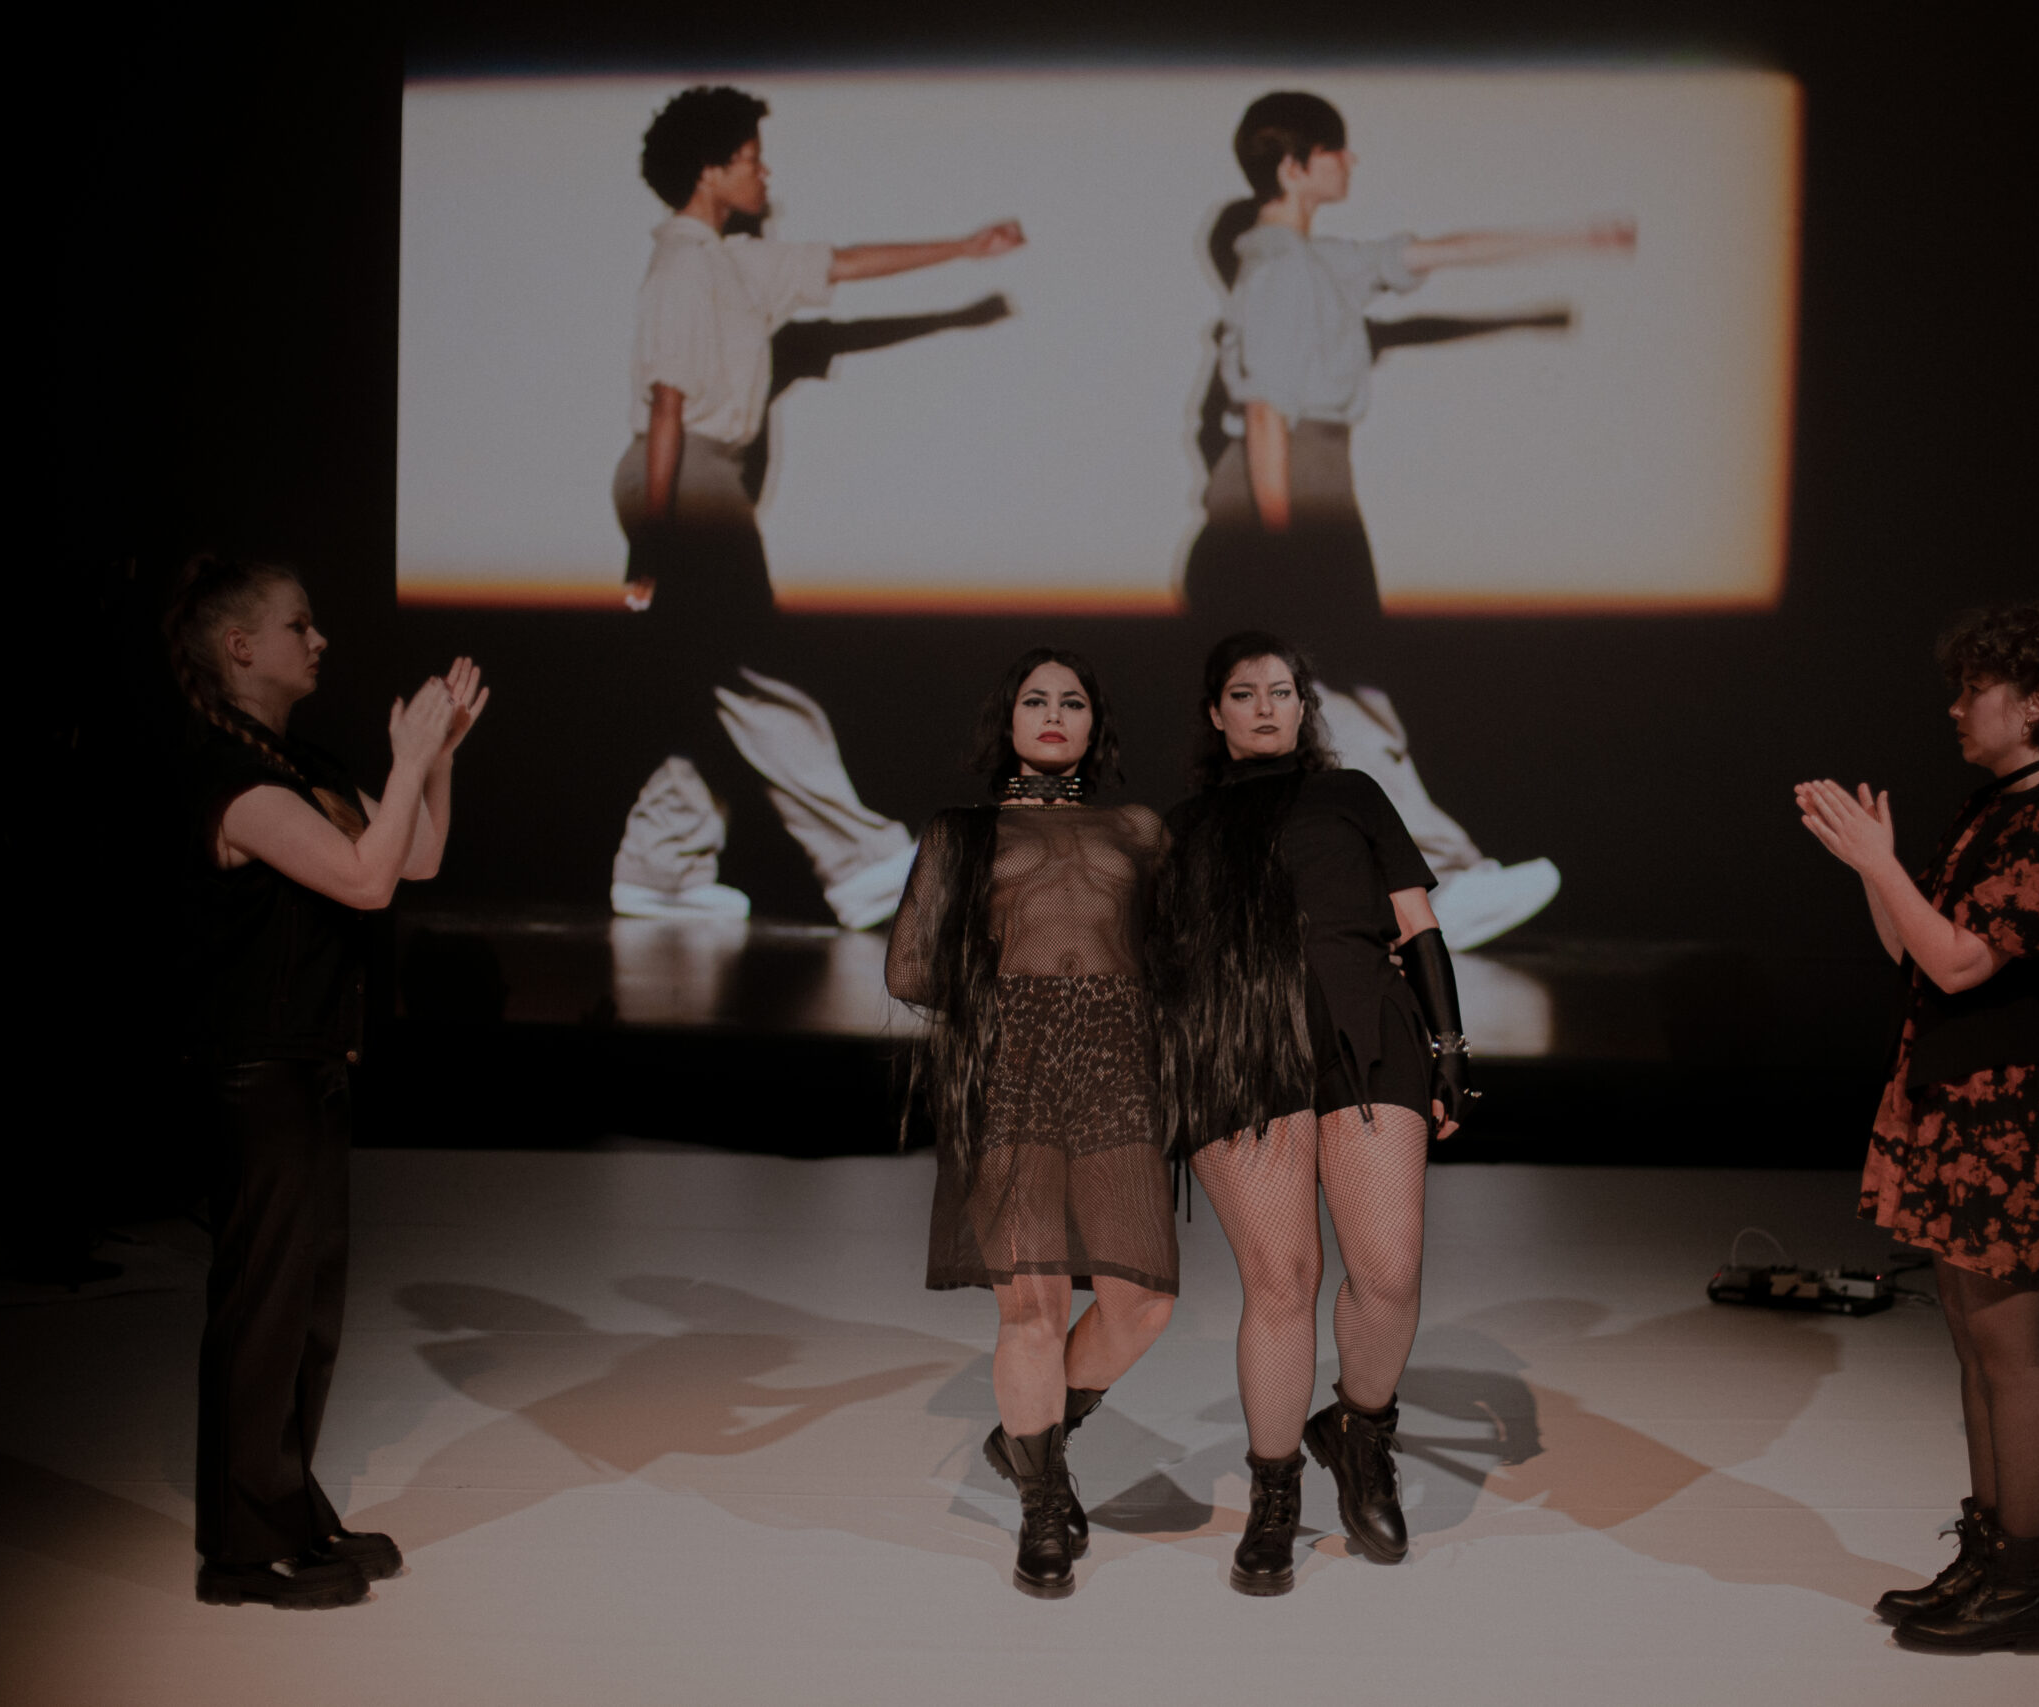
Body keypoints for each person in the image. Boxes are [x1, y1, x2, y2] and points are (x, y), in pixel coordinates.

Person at [1182, 90, 1636, 950]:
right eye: (1336, 151)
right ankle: (1440, 879)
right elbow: (1268, 416)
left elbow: (1439, 252)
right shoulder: (1278, 272)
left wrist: (1570, 240)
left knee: (1348, 703)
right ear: (1295, 167)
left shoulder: (1322, 262)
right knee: (1334, 702)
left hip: (1317, 489)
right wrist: (1282, 544)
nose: (1351, 162)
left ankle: (1415, 887)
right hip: (1288, 497)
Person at [611, 85, 1025, 926]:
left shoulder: (735, 264)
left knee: (717, 682)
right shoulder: (684, 266)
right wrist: (651, 542)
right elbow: (666, 405)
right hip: (684, 480)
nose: (765, 175)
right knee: (761, 677)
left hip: (699, 479)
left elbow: (845, 262)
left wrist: (963, 251)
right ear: (710, 171)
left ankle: (660, 863)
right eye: (751, 160)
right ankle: (863, 862)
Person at [165, 554, 490, 1609]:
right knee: (262, 1306)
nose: (320, 641)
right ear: (239, 647)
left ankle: (291, 1511)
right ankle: (239, 1549)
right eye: (297, 626)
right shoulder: (231, 778)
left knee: (308, 1306)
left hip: (310, 1064)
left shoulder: (297, 761)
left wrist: (435, 761)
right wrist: (407, 758)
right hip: (255, 1071)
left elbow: (413, 858)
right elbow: (361, 879)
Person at [1794, 599, 2039, 1654]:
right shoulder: (1995, 809)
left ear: (2037, 701)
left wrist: (1880, 863)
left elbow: (1962, 963)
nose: (1956, 707)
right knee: (1975, 1343)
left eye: (1975, 688)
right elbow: (1914, 948)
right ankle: (1986, 1555)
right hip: (1965, 1098)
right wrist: (1874, 867)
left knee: (2011, 1350)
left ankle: (2020, 1587)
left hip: (2020, 1110)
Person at [1152, 630, 1473, 1596]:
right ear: (1215, 712)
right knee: (1282, 1279)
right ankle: (1274, 1493)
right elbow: (1160, 961)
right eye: (1244, 692)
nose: (1265, 706)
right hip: (1237, 1046)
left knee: (1390, 1268)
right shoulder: (1182, 828)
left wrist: (1450, 1050)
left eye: (1282, 690)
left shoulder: (1353, 795)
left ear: (1303, 705)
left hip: (1365, 1027)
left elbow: (1418, 924)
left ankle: (1360, 1431)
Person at [885, 648, 1179, 1598]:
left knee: (1143, 1301)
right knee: (1033, 1307)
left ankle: (1032, 1434)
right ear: (1006, 722)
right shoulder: (962, 831)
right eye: (1035, 699)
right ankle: (1044, 1500)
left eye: (1073, 701)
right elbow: (908, 968)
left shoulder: (1139, 829)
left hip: (1116, 1067)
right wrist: (1008, 997)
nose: (1054, 712)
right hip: (1011, 1071)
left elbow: (1181, 953)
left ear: (1097, 725)